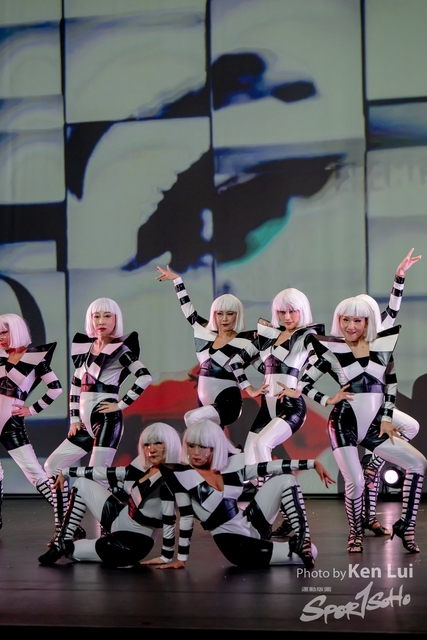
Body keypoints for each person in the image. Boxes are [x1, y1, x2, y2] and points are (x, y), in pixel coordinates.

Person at [298, 296, 426, 553]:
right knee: (355, 482)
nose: (350, 326)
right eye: (345, 320)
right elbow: (302, 383)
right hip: (343, 425)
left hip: (374, 426)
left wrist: (387, 419)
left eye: (357, 320)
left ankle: (406, 526)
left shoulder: (382, 347)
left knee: (418, 463)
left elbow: (391, 387)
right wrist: (328, 399)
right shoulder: (333, 350)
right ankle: (355, 533)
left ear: (367, 321)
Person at [142, 419, 335, 571]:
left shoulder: (230, 468)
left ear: (214, 447)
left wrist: (312, 463)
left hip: (252, 524)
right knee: (312, 552)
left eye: (203, 446)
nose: (195, 452)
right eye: (191, 446)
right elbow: (185, 519)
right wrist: (179, 559)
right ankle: (300, 547)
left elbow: (268, 467)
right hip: (237, 546)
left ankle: (302, 538)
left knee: (286, 478)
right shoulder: (182, 476)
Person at [44, 298, 152, 535]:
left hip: (107, 420)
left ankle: (110, 530)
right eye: (96, 316)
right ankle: (65, 528)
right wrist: (74, 419)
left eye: (107, 316)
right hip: (84, 424)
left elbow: (145, 376)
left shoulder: (120, 349)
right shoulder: (85, 349)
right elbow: (75, 385)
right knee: (52, 465)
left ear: (116, 319)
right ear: (90, 319)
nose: (101, 321)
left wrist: (121, 404)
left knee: (97, 476)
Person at [38, 422, 182, 567]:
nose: (151, 449)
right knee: (81, 483)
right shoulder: (144, 463)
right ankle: (61, 542)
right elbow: (111, 473)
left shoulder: (171, 479)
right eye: (147, 444)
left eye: (158, 443)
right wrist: (67, 471)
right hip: (119, 517)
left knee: (71, 552)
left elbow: (170, 520)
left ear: (170, 444)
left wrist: (167, 557)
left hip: (128, 545)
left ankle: (64, 546)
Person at [357, 248, 421, 536]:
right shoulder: (349, 339)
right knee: (364, 471)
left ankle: (374, 463)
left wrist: (399, 276)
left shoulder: (381, 329)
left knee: (407, 429)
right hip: (361, 408)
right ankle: (366, 518)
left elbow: (394, 307)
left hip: (381, 405)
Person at [156, 265, 265, 431]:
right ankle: (227, 447)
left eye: (230, 313)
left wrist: (265, 344)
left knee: (191, 418)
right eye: (220, 313)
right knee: (209, 438)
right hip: (204, 400)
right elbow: (188, 310)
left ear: (237, 315)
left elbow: (263, 367)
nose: (224, 319)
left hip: (228, 402)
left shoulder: (246, 340)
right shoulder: (204, 332)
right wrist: (177, 281)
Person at [229, 288, 324, 466]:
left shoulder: (306, 336)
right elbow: (236, 362)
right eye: (281, 311)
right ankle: (264, 483)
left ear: (302, 310)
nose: (287, 316)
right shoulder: (268, 336)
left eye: (292, 311)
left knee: (261, 444)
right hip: (267, 405)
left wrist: (300, 388)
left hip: (290, 406)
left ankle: (273, 482)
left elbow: (318, 362)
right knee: (250, 459)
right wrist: (249, 389)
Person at [0, 313, 63, 527]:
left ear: (16, 330)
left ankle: (67, 520)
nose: (0, 337)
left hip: (11, 424)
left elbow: (55, 389)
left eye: (4, 332)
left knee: (35, 473)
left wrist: (32, 409)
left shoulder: (34, 358)